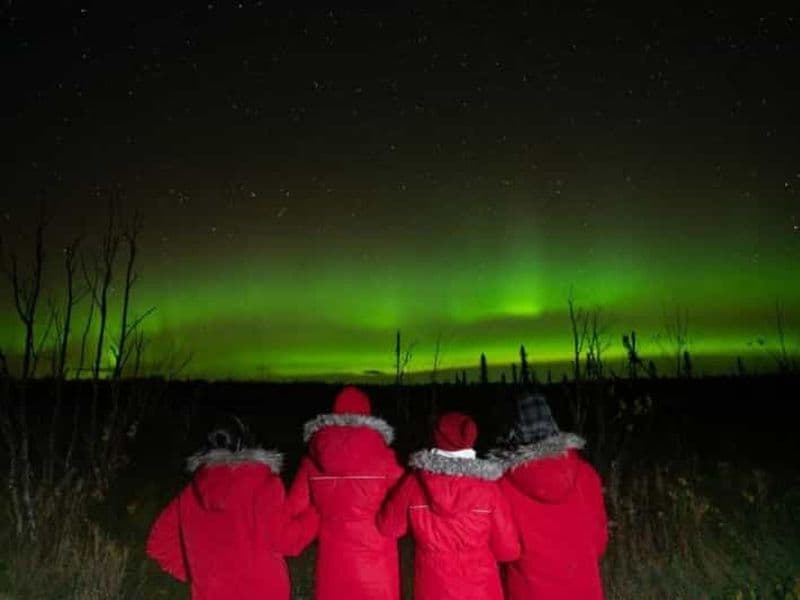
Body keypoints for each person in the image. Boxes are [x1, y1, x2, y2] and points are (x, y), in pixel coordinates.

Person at [146, 416, 318, 600]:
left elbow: (159, 545)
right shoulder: (265, 486)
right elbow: (287, 541)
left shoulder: (189, 494)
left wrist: (198, 573)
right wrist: (315, 515)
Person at [377, 411, 520, 600]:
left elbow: (389, 527)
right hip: (481, 589)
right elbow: (508, 551)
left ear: (437, 438)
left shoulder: (414, 482)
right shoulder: (488, 488)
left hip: (432, 587)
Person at [287, 386, 404, 600]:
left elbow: (292, 509)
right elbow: (402, 505)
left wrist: (317, 515)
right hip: (377, 568)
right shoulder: (383, 458)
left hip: (333, 563)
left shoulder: (312, 461)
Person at [493, 392, 608, 600]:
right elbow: (598, 542)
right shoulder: (586, 474)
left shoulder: (504, 486)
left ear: (513, 431)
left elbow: (505, 551)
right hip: (584, 590)